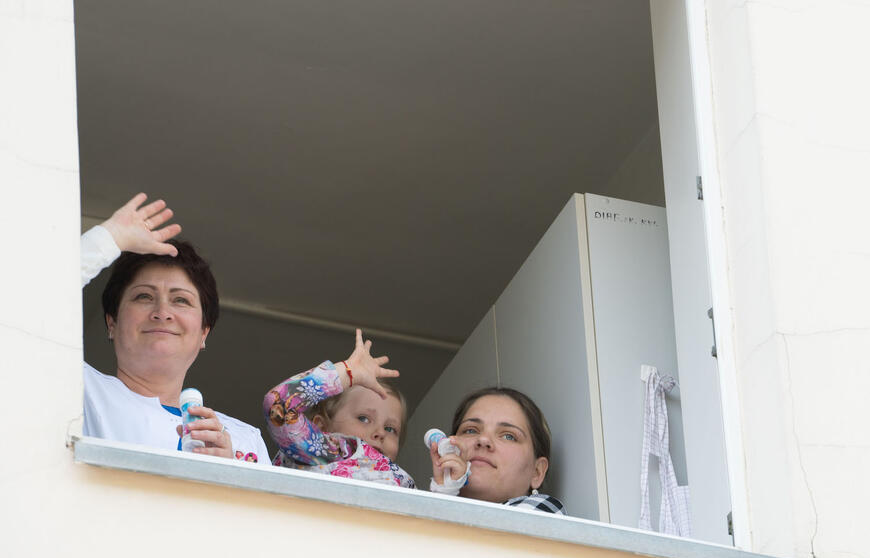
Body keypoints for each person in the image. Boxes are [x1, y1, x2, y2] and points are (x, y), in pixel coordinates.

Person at [81, 193, 269, 462]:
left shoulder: (244, 440)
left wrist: (229, 475)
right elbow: (26, 317)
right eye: (144, 296)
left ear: (204, 332)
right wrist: (108, 239)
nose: (162, 313)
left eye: (181, 300)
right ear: (112, 322)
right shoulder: (79, 389)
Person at [264, 330, 414, 487]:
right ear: (321, 426)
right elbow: (278, 407)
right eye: (363, 419)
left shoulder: (403, 481)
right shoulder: (328, 451)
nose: (380, 433)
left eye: (390, 429)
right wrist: (348, 372)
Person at [427, 387, 566, 514]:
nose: (483, 440)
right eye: (470, 430)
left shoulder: (544, 510)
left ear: (537, 472)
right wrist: (444, 490)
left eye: (508, 436)